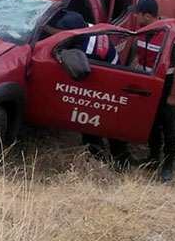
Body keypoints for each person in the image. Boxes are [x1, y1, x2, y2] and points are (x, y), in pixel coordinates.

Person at [47, 10, 128, 164]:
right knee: (109, 123)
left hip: (107, 86)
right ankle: (119, 157)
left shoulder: (88, 50)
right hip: (114, 77)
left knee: (90, 122)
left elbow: (79, 70)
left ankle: (101, 159)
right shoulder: (90, 28)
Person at [128, 0, 175, 182]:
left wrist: (173, 94)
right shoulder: (143, 30)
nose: (135, 18)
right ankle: (153, 158)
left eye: (137, 14)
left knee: (168, 125)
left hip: (166, 84)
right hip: (148, 83)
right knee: (151, 123)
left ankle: (168, 164)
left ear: (146, 16)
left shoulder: (167, 35)